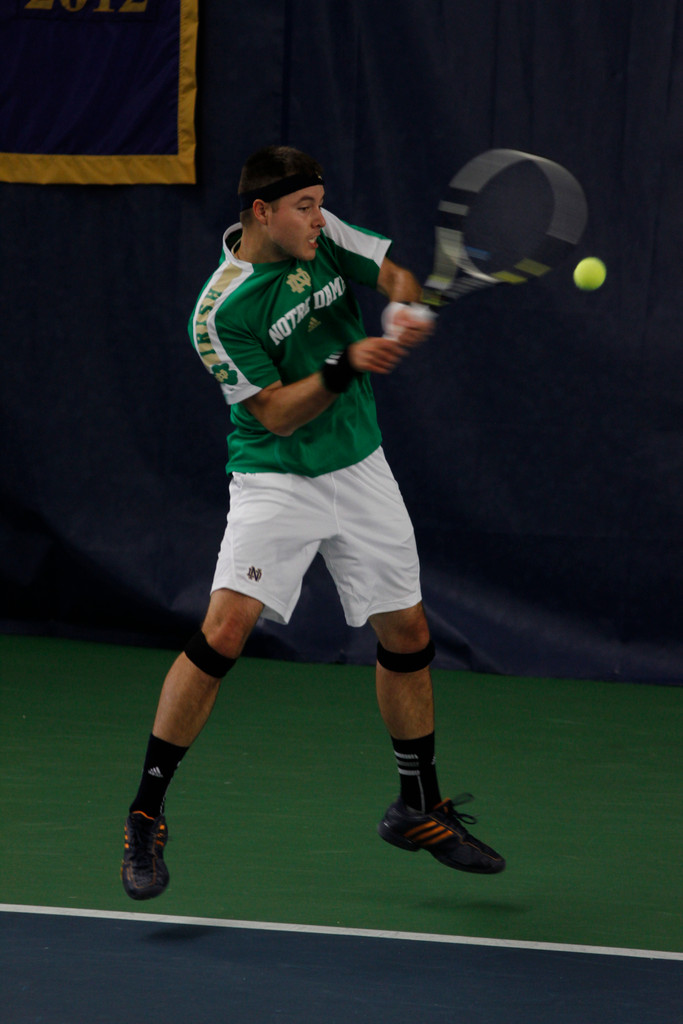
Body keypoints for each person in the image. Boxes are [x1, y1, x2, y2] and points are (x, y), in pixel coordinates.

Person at [121, 145, 505, 900]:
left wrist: (401, 304)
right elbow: (276, 413)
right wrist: (346, 363)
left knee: (408, 633)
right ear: (262, 212)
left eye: (320, 204)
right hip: (276, 477)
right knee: (224, 630)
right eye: (304, 207)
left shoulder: (321, 234)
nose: (318, 219)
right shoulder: (219, 313)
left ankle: (418, 807)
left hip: (360, 465)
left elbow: (393, 272)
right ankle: (144, 813)